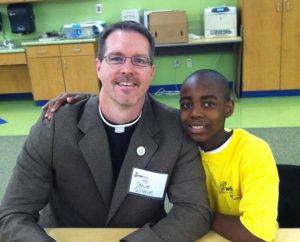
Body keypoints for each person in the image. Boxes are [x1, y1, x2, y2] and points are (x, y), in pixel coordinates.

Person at [0, 21, 212, 242]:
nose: (127, 69)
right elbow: (13, 213)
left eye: (139, 60)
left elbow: (194, 211)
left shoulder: (174, 130)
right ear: (98, 67)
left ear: (151, 71)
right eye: (116, 58)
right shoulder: (55, 125)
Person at [179, 69, 279, 242]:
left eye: (208, 104)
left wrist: (201, 216)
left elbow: (257, 235)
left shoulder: (254, 151)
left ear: (228, 109)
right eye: (186, 105)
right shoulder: (181, 150)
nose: (195, 113)